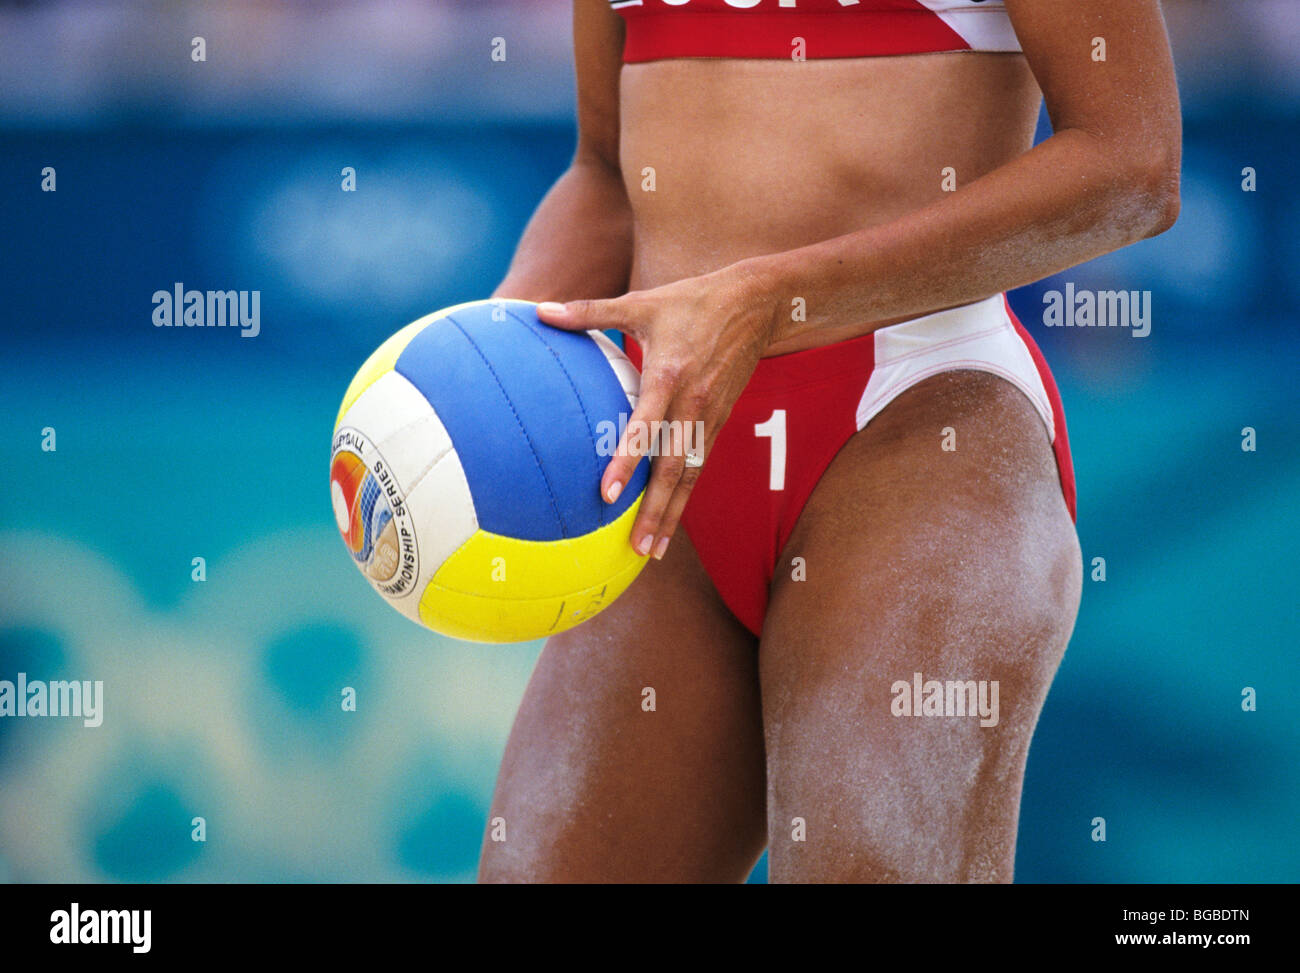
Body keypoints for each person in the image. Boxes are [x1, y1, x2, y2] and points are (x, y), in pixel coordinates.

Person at [479, 0, 1181, 883]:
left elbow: (1134, 162)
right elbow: (606, 174)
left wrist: (774, 296)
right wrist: (481, 373)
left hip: (917, 416)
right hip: (670, 452)